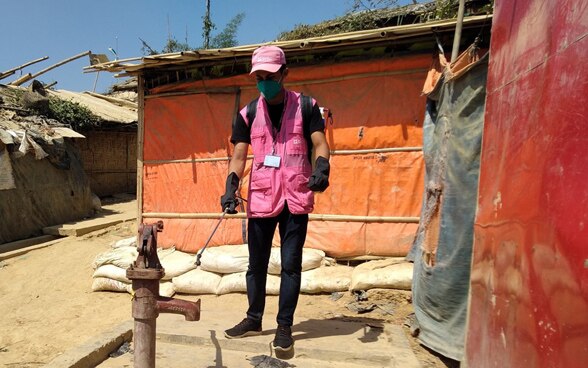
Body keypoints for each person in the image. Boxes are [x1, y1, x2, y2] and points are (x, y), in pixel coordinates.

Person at [221, 45, 331, 353]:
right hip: (261, 198)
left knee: (290, 266)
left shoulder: (307, 106)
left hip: (295, 197)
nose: (264, 81)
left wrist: (322, 168)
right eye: (259, 76)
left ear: (284, 73)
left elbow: (320, 143)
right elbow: (239, 155)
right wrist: (230, 187)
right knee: (256, 266)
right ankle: (253, 318)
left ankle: (284, 327)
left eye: (270, 75)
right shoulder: (248, 113)